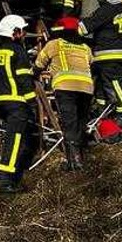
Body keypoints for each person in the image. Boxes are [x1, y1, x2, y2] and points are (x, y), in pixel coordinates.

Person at [0, 14, 40, 194]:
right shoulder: (17, 51)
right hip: (17, 101)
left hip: (0, 100)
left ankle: (8, 174)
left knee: (14, 137)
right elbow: (24, 78)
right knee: (15, 139)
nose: (25, 34)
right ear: (14, 32)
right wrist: (32, 100)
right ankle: (6, 179)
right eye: (22, 31)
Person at [35, 16, 94, 171]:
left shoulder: (53, 44)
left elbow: (38, 64)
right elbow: (91, 63)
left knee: (69, 123)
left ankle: (74, 162)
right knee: (81, 122)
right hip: (86, 88)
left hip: (65, 87)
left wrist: (31, 75)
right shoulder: (84, 47)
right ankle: (82, 156)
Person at [78, 0, 122, 125]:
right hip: (116, 52)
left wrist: (68, 28)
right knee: (102, 83)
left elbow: (84, 28)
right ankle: (102, 109)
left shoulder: (107, 9)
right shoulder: (119, 7)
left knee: (114, 82)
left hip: (109, 52)